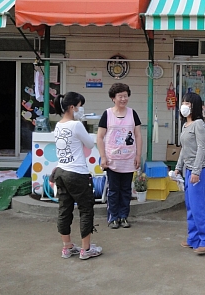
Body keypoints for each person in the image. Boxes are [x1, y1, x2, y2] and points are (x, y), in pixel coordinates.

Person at [52, 92, 102, 260]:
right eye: (80, 106)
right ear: (72, 107)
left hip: (61, 172)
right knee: (86, 209)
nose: (81, 109)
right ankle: (86, 249)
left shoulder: (58, 125)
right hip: (77, 173)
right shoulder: (76, 125)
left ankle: (67, 247)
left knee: (64, 209)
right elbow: (89, 144)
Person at [96, 83, 142, 229]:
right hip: (112, 160)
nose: (123, 99)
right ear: (113, 98)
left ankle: (124, 216)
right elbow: (100, 137)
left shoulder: (133, 114)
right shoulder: (107, 114)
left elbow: (138, 135)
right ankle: (113, 217)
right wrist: (103, 157)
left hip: (129, 159)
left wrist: (138, 155)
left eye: (125, 96)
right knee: (113, 190)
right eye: (120, 96)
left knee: (126, 190)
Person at [175, 93, 205, 255]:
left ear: (194, 106)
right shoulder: (185, 125)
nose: (184, 105)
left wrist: (196, 171)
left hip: (201, 170)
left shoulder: (199, 124)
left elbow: (202, 148)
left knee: (198, 207)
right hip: (189, 170)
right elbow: (184, 149)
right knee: (191, 206)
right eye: (183, 102)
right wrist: (178, 167)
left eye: (188, 103)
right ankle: (193, 238)